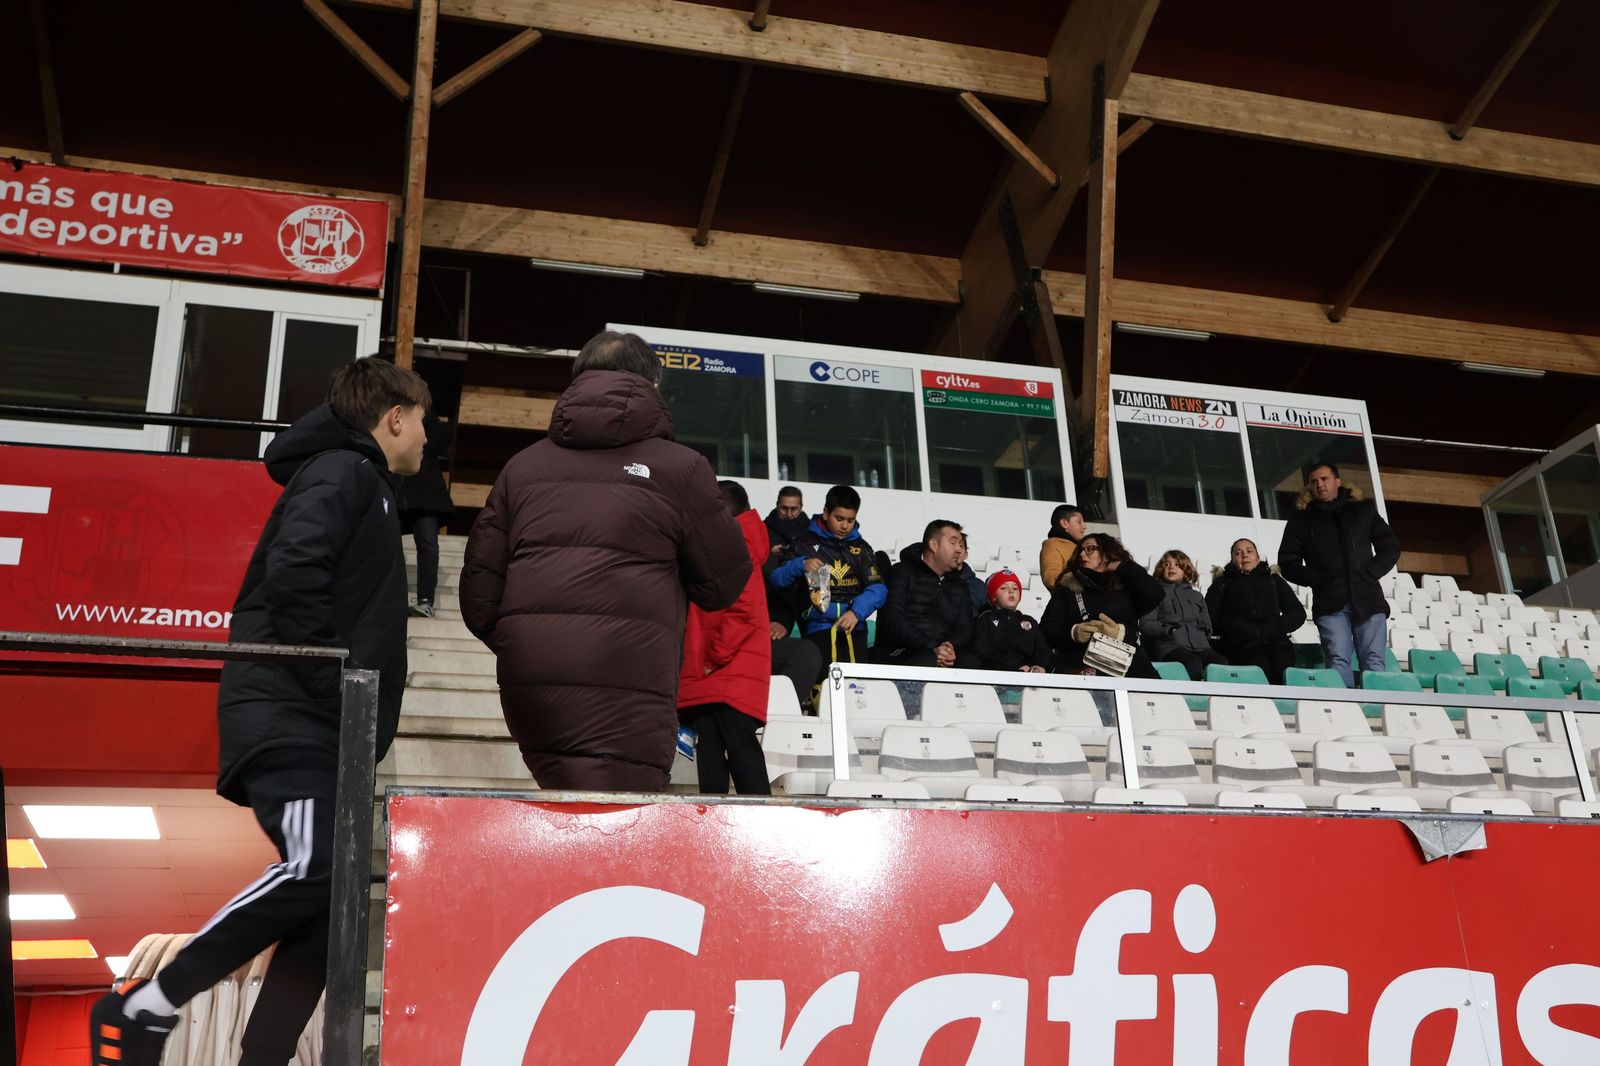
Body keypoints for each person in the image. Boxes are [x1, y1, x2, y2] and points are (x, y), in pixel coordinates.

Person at [89, 357, 430, 1066]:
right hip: (293, 712)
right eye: (424, 421)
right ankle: (150, 1002)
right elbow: (294, 572)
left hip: (319, 720)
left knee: (331, 895)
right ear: (394, 416)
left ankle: (264, 1056)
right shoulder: (345, 471)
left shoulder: (365, 483)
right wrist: (334, 686)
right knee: (315, 871)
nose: (429, 439)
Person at [459, 330, 751, 791]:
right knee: (616, 829)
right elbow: (724, 583)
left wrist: (536, 640)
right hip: (631, 682)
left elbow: (479, 597)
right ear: (653, 386)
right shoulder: (682, 468)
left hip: (534, 686)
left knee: (568, 811)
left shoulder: (521, 467)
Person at [678, 482, 772, 795]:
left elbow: (742, 612)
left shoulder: (735, 546)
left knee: (736, 750)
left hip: (725, 669)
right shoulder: (734, 544)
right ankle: (717, 827)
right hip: (722, 673)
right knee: (714, 751)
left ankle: (758, 825)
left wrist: (711, 658)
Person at [1278, 461, 1401, 687]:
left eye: (1324, 479)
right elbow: (1287, 563)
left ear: (1337, 481)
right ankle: (1346, 714)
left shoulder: (1363, 510)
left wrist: (1371, 572)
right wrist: (1320, 580)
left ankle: (1378, 710)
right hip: (1329, 602)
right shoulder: (1300, 520)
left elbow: (1390, 546)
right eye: (1314, 482)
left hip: (1368, 598)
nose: (1320, 485)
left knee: (1374, 661)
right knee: (1337, 660)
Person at [767, 484, 887, 673]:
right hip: (817, 627)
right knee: (823, 688)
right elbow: (776, 579)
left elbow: (878, 588)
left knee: (856, 690)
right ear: (825, 513)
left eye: (850, 520)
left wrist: (856, 613)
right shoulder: (803, 543)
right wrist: (801, 565)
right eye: (839, 519)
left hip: (854, 627)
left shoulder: (862, 548)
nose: (845, 526)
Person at [1042, 532, 1162, 678]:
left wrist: (1119, 565)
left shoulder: (1125, 584)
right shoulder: (1067, 587)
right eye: (1080, 550)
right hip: (1082, 667)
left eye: (1090, 549)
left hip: (1128, 666)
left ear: (1106, 552)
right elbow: (1047, 629)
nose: (1082, 554)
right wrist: (1073, 633)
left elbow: (1156, 593)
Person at [875, 519, 982, 669]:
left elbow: (965, 628)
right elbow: (892, 620)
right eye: (953, 543)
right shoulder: (902, 572)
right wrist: (932, 647)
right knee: (925, 659)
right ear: (933, 545)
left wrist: (948, 647)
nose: (959, 549)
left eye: (960, 544)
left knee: (970, 662)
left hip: (940, 652)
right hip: (899, 652)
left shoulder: (960, 585)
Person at [1205, 538, 1306, 685]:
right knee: (1259, 665)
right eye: (1238, 553)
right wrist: (1235, 626)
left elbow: (1297, 613)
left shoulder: (1274, 580)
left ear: (1258, 557)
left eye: (1249, 551)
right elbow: (1209, 619)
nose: (1244, 555)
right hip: (1239, 643)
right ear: (1233, 560)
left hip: (1276, 640)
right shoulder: (1222, 584)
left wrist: (1276, 627)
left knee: (1282, 664)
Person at [762, 486, 822, 707]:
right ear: (777, 505)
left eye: (793, 509)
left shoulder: (811, 533)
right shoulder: (764, 529)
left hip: (805, 597)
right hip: (776, 598)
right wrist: (770, 553)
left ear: (801, 507)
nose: (788, 513)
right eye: (784, 508)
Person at [1140, 549, 1228, 681]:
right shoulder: (1155, 594)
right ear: (1160, 569)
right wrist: (1169, 630)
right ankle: (1193, 700)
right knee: (1192, 664)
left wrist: (1201, 635)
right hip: (1169, 646)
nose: (1171, 567)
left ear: (1185, 570)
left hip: (1200, 647)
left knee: (1220, 663)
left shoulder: (1197, 596)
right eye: (1166, 564)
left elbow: (1207, 626)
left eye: (1177, 564)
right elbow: (1146, 624)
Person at [399, 409, 454, 617]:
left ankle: (425, 600)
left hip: (425, 495)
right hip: (398, 492)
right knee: (389, 544)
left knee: (428, 545)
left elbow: (439, 442)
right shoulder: (392, 413)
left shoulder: (427, 417)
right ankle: (392, 598)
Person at [975, 569, 1053, 672]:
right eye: (1003, 588)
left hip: (1028, 678)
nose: (1011, 591)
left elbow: (1043, 649)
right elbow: (983, 652)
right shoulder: (985, 619)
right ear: (993, 597)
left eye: (1015, 588)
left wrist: (1039, 666)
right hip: (996, 676)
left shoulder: (1029, 622)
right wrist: (1013, 670)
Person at [1039, 503, 1087, 593]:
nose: (1084, 527)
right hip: (1070, 602)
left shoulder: (1083, 546)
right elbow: (1051, 579)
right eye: (1079, 522)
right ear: (1064, 523)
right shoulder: (1052, 544)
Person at [953, 532, 989, 616]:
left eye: (961, 546)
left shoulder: (978, 586)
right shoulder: (934, 580)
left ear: (966, 554)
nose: (957, 550)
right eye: (953, 545)